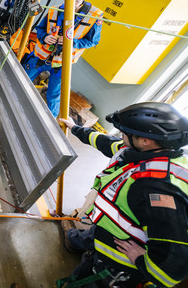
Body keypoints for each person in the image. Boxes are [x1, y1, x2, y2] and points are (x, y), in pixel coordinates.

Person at [58, 102, 188, 287]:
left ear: (145, 140)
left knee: (88, 278)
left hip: (119, 257)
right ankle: (76, 240)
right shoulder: (142, 152)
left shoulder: (158, 190)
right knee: (92, 235)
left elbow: (175, 263)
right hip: (109, 228)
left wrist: (141, 261)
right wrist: (76, 128)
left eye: (125, 132)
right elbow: (105, 142)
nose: (121, 135)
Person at [23, 0, 102, 118]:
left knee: (54, 95)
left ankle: (51, 121)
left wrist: (72, 43)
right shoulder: (54, 10)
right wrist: (45, 37)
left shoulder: (94, 16)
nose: (72, 3)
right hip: (40, 58)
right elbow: (40, 29)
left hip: (62, 64)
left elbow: (93, 41)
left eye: (76, 0)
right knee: (21, 81)